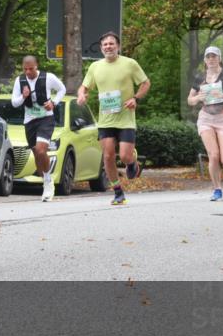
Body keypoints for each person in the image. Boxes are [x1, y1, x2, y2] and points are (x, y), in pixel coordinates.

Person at [76, 31, 150, 206]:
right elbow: (84, 87)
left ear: (118, 46)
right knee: (108, 156)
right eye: (105, 44)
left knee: (124, 156)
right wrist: (81, 95)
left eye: (111, 43)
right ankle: (118, 192)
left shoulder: (129, 64)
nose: (108, 47)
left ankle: (132, 161)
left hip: (125, 118)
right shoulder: (95, 67)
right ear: (101, 48)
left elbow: (145, 83)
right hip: (106, 120)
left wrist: (136, 98)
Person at [187, 46, 223, 201]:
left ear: (219, 58)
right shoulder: (200, 77)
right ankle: (217, 190)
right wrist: (198, 98)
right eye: (208, 56)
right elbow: (190, 100)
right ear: (205, 60)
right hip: (206, 119)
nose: (211, 59)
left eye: (214, 56)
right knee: (213, 155)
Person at [10, 55, 67, 202]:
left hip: (46, 118)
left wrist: (54, 103)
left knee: (41, 150)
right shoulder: (19, 80)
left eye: (31, 69)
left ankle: (48, 181)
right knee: (37, 155)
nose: (28, 72)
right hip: (30, 121)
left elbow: (62, 89)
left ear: (37, 66)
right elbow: (14, 103)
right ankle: (45, 179)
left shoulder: (48, 77)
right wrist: (23, 97)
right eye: (25, 69)